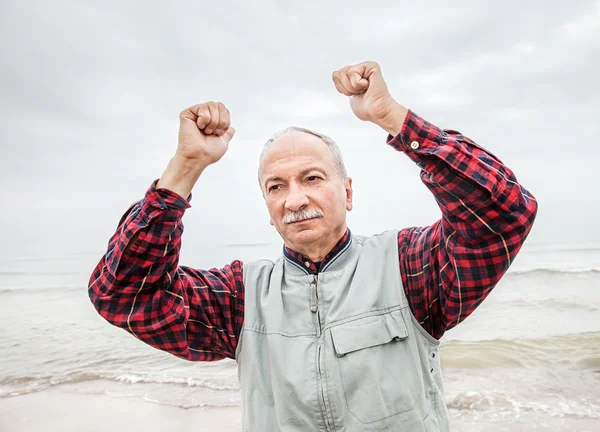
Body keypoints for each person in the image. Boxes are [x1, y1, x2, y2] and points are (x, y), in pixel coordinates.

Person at [88, 61, 538, 431]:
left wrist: (393, 118)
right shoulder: (242, 297)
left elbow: (503, 213)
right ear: (267, 207)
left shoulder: (408, 268)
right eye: (276, 186)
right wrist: (185, 168)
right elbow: (122, 295)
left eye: (312, 178)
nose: (295, 199)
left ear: (347, 191)